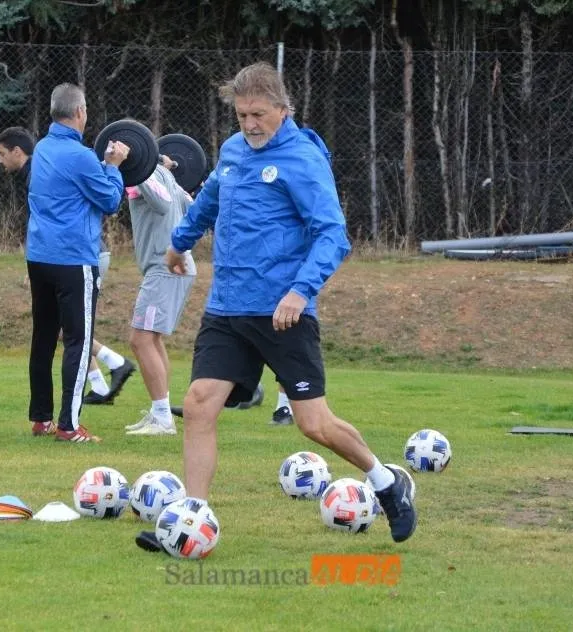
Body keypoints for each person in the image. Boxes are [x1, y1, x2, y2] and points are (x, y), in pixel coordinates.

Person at [136, 62, 416, 552]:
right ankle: (191, 520)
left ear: (284, 111)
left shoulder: (303, 160)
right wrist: (179, 245)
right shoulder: (232, 152)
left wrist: (299, 291)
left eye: (259, 114)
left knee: (314, 425)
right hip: (227, 308)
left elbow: (333, 234)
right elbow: (208, 204)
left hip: (283, 311)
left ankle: (386, 481)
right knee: (200, 403)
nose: (250, 124)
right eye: (242, 115)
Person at [0, 126, 135, 418]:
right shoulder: (41, 165)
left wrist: (112, 167)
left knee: (73, 335)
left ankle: (112, 366)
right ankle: (102, 380)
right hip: (56, 257)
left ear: (18, 152)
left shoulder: (42, 164)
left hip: (82, 254)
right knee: (66, 333)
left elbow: (107, 201)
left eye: (1, 155)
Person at [25, 83, 130, 443]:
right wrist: (114, 166)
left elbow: (74, 186)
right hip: (73, 260)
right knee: (78, 341)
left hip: (38, 256)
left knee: (42, 338)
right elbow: (111, 201)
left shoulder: (42, 149)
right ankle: (69, 426)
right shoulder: (82, 156)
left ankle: (41, 419)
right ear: (81, 112)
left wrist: (100, 166)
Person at [120, 154, 197, 437]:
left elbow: (164, 204)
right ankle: (159, 412)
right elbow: (191, 208)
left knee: (140, 340)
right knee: (151, 339)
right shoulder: (166, 178)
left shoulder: (150, 176)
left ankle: (163, 417)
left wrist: (142, 171)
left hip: (165, 268)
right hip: (171, 266)